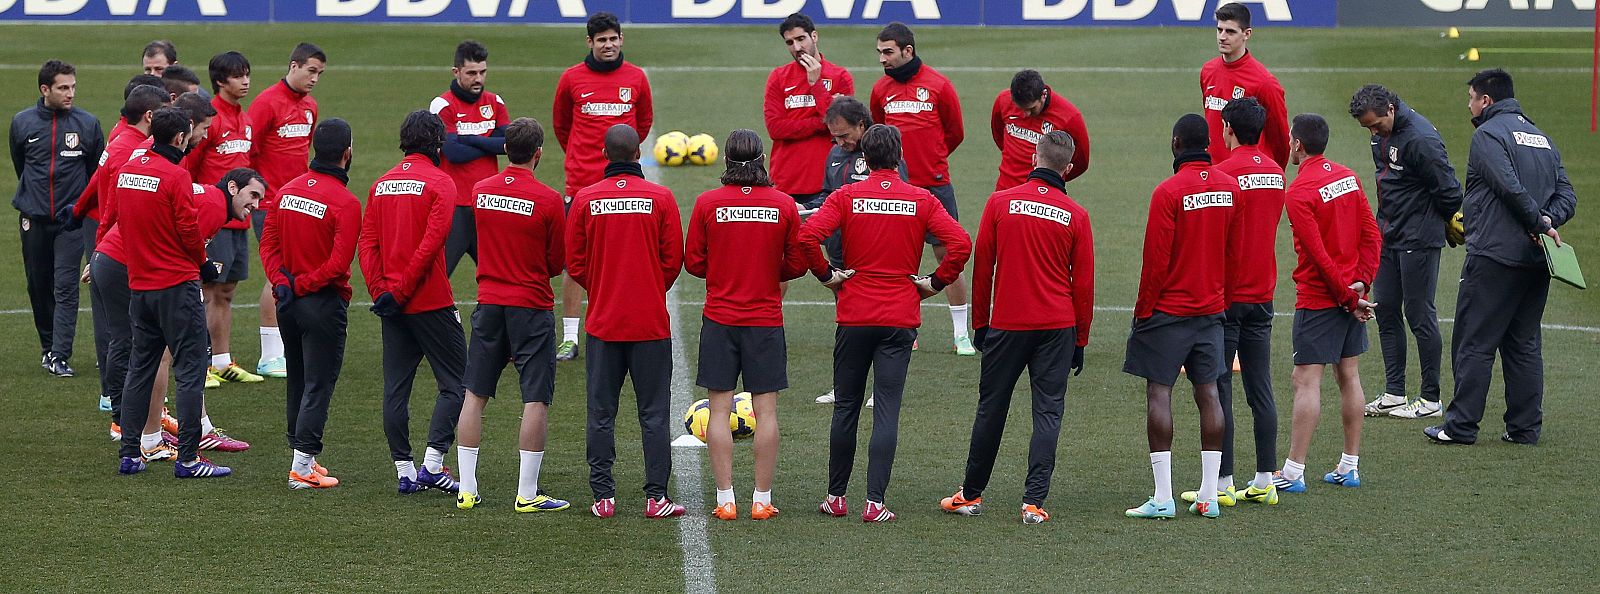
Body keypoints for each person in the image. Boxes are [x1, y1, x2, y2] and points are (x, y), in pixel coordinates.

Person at [799, 124, 971, 523]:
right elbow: (961, 243)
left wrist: (828, 276)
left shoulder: (846, 196)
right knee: (887, 410)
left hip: (855, 314)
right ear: (899, 157)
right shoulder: (921, 199)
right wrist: (934, 283)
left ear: (864, 157)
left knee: (846, 408)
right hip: (899, 317)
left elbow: (808, 237)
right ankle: (875, 503)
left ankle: (836, 497)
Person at [941, 130, 1093, 525]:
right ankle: (1033, 503)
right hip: (1057, 328)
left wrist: (979, 323)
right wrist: (1080, 340)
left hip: (1007, 325)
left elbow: (983, 267)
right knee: (1048, 413)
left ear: (1032, 159)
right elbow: (1084, 285)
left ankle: (970, 495)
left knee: (991, 409)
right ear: (1068, 169)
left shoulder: (999, 202)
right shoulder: (1076, 215)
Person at [1427, 68, 1577, 446]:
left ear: (1486, 100)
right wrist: (1547, 222)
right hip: (1537, 259)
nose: (1469, 106)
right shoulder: (1542, 138)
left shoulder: (1488, 135)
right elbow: (1567, 196)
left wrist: (1537, 222)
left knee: (1474, 342)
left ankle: (1461, 427)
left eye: (1471, 98)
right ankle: (1524, 429)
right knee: (1523, 344)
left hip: (1495, 255)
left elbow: (1507, 187)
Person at [1123, 114, 1241, 520]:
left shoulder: (1168, 191)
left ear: (1176, 144)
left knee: (1160, 392)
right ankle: (1209, 495)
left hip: (1168, 312)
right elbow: (1233, 253)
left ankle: (1163, 496)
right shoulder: (1230, 188)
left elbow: (1155, 260)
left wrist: (1143, 311)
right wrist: (1221, 300)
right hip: (1211, 311)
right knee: (1209, 393)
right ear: (1207, 144)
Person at [685, 129, 808, 521]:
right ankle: (761, 499)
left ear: (726, 160)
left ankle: (725, 499)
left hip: (720, 319)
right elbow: (798, 262)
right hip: (765, 321)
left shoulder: (707, 203)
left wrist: (723, 270)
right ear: (762, 159)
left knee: (718, 410)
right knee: (766, 413)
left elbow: (694, 262)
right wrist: (769, 272)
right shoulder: (783, 204)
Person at [453, 118, 571, 513]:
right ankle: (527, 492)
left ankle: (467, 490)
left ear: (505, 149)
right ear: (538, 153)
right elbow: (555, 262)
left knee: (475, 394)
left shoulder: (480, 190)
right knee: (535, 398)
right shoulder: (549, 200)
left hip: (489, 303)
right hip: (531, 306)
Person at [566, 124, 684, 519]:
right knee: (654, 415)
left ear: (604, 155)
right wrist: (648, 286)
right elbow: (673, 260)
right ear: (638, 154)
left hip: (603, 324)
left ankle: (603, 497)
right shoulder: (661, 198)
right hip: (650, 325)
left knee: (601, 414)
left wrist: (603, 286)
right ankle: (656, 498)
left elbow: (575, 262)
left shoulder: (585, 199)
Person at [113, 107, 237, 478]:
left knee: (140, 368)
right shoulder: (176, 175)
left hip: (140, 286)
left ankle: (130, 454)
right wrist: (204, 265)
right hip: (176, 287)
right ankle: (188, 460)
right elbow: (188, 228)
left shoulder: (128, 171)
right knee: (191, 370)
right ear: (181, 138)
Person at [358, 110, 467, 495]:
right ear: (437, 143)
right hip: (430, 301)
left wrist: (381, 292)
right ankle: (433, 465)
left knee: (396, 388)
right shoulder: (441, 182)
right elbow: (431, 244)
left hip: (392, 305)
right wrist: (401, 290)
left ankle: (404, 471)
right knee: (458, 382)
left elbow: (367, 243)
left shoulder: (381, 183)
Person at [1185, 97, 1285, 506]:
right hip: (1263, 292)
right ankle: (1264, 480)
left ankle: (1223, 481)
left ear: (1227, 128)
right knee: (1260, 387)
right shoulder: (1277, 173)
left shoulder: (1224, 174)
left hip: (1227, 295)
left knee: (1219, 385)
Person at [1275, 113, 1381, 491]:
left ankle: (1293, 472)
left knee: (1305, 380)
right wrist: (1362, 286)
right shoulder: (1348, 177)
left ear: (1298, 144)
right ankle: (1349, 466)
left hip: (1321, 299)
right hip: (1352, 294)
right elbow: (1372, 234)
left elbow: (1318, 257)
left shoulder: (1299, 192)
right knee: (1348, 375)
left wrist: (1348, 297)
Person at [1349, 84, 1462, 420]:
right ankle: (1395, 393)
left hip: (1419, 236)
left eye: (1376, 125)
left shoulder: (1421, 139)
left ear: (1391, 110)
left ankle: (1430, 399)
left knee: (1419, 313)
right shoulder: (1380, 132)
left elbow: (1449, 189)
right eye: (1367, 128)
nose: (1373, 132)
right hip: (1389, 233)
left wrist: (1446, 220)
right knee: (1385, 308)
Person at [261, 118, 359, 490]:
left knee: (298, 379)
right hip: (322, 304)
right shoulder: (346, 203)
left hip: (287, 302)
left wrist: (282, 281)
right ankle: (302, 466)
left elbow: (268, 244)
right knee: (319, 383)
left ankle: (302, 457)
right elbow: (338, 264)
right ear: (347, 153)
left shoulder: (287, 191)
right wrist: (303, 284)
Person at [552, 11, 653, 363]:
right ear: (590, 42)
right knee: (574, 261)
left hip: (626, 185)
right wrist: (581, 158)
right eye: (601, 40)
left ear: (621, 39)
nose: (608, 45)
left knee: (627, 258)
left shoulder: (637, 78)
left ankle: (624, 326)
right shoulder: (571, 78)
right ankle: (569, 337)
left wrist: (622, 159)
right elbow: (562, 126)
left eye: (613, 39)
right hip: (582, 184)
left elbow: (643, 124)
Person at [869, 22, 974, 356]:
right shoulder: (880, 90)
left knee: (948, 257)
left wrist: (933, 160)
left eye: (888, 52)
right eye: (879, 52)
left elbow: (955, 132)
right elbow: (877, 133)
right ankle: (905, 329)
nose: (882, 58)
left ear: (907, 51)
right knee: (900, 260)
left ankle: (961, 334)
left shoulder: (939, 85)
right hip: (896, 188)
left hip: (936, 185)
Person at [808, 96, 907, 407]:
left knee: (880, 323)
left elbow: (899, 197)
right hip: (841, 252)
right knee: (847, 323)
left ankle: (881, 388)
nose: (840, 142)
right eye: (834, 137)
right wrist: (807, 208)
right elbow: (828, 194)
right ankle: (844, 387)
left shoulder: (885, 154)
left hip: (876, 254)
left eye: (844, 135)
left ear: (862, 125)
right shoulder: (835, 154)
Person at [75, 84, 167, 412]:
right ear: (150, 116)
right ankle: (119, 404)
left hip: (111, 247)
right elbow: (117, 208)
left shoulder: (119, 140)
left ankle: (118, 399)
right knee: (126, 334)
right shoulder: (132, 150)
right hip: (124, 250)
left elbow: (102, 196)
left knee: (118, 331)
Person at [11, 59, 104, 378]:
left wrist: (79, 210)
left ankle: (59, 354)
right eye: (63, 88)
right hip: (33, 219)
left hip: (71, 222)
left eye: (73, 87)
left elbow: (96, 175)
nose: (70, 93)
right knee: (39, 285)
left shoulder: (87, 124)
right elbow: (21, 165)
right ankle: (47, 347)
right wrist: (34, 200)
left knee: (65, 286)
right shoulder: (22, 122)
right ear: (44, 89)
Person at [248, 42, 327, 380]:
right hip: (268, 203)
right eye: (311, 71)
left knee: (297, 269)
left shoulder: (310, 106)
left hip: (297, 203)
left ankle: (288, 346)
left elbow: (303, 153)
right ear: (294, 66)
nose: (315, 78)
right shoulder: (266, 103)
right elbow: (248, 151)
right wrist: (255, 194)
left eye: (319, 73)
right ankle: (269, 355)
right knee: (277, 272)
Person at [191, 51, 262, 385]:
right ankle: (199, 363)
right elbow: (190, 167)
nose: (245, 81)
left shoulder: (245, 119)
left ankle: (221, 361)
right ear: (220, 81)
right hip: (213, 218)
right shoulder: (211, 119)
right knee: (206, 290)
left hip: (238, 219)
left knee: (227, 291)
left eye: (247, 74)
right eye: (238, 76)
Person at [433, 40, 509, 276]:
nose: (478, 79)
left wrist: (469, 139)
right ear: (456, 72)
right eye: (471, 73)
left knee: (499, 275)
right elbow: (453, 153)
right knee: (438, 275)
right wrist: (489, 142)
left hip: (486, 204)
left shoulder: (495, 102)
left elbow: (508, 145)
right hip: (454, 207)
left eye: (482, 72)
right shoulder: (443, 105)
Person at [765, 12, 854, 206]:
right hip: (786, 180)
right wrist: (822, 121)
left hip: (827, 181)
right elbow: (776, 129)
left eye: (801, 39)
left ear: (814, 36)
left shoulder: (840, 77)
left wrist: (816, 84)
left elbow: (843, 126)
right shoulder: (778, 77)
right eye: (790, 43)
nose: (797, 48)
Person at [1201, 2, 1289, 168]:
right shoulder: (1208, 71)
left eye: (1230, 32)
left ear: (1247, 34)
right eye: (1219, 30)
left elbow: (1280, 138)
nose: (1222, 37)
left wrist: (1273, 173)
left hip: (1249, 173)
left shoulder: (1264, 82)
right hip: (1216, 173)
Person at [989, 69, 1089, 191]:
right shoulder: (1003, 101)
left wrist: (1054, 177)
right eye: (1020, 108)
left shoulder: (1070, 117)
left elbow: (1081, 161)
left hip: (1043, 193)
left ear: (1043, 95)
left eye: (1032, 109)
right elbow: (999, 135)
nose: (1026, 114)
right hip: (1005, 189)